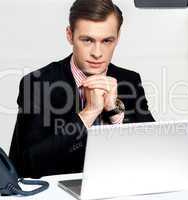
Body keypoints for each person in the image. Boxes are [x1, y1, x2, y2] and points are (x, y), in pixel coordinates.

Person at [9, 0, 155, 178]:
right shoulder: (38, 83)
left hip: (119, 187)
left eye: (107, 41)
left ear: (118, 37)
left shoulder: (130, 80)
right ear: (70, 35)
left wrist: (114, 112)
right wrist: (89, 112)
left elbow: (153, 151)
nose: (97, 53)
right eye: (87, 40)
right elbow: (27, 164)